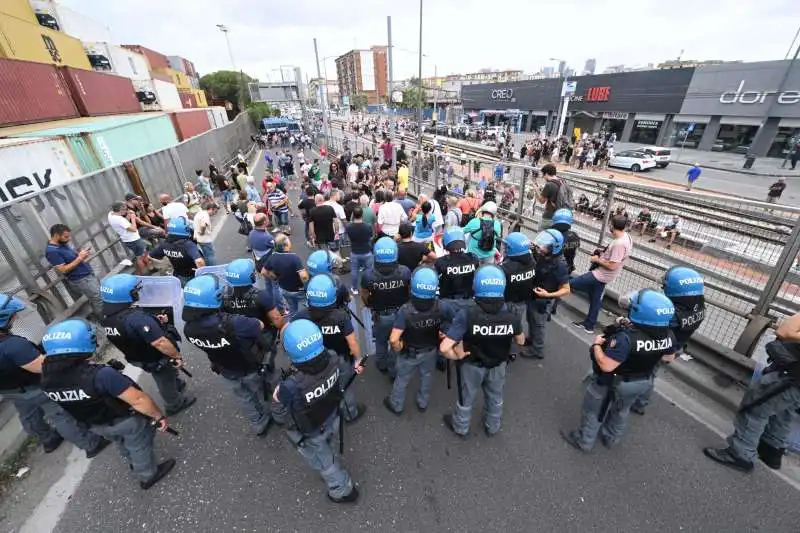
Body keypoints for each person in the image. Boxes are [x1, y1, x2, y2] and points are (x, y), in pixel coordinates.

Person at [40, 319, 175, 489]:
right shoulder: (102, 375)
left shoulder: (46, 379)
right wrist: (158, 416)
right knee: (139, 442)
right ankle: (148, 474)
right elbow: (138, 399)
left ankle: (132, 460)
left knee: (120, 441)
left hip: (94, 424)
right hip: (124, 419)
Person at [561, 290, 676, 451]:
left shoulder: (625, 339)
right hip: (642, 381)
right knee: (622, 409)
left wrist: (596, 345)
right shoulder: (669, 335)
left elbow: (606, 365)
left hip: (614, 381)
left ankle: (584, 440)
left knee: (594, 411)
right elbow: (668, 358)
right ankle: (611, 438)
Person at [0, 296, 109, 457]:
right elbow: (45, 367)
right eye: (13, 315)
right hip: (34, 386)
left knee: (28, 414)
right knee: (59, 414)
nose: (15, 317)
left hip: (9, 389)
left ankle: (48, 439)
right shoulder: (13, 345)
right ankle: (91, 443)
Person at [272, 319, 359, 503]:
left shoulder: (290, 386)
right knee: (330, 443)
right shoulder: (333, 357)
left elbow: (280, 409)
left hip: (311, 429)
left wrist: (277, 397)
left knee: (324, 462)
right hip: (333, 415)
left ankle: (342, 489)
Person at [703, 312, 800, 472]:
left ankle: (740, 454)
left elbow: (784, 331)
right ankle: (771, 450)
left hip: (792, 376)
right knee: (784, 410)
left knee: (755, 408)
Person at [182, 275, 275, 436]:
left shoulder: (188, 330)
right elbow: (259, 325)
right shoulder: (234, 323)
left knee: (244, 397)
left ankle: (257, 422)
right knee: (262, 389)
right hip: (249, 366)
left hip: (224, 368)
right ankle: (274, 413)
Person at [439, 265, 525, 437]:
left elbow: (444, 348)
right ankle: (492, 426)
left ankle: (461, 427)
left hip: (472, 364)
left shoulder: (467, 314)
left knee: (466, 397)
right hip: (498, 363)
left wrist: (458, 355)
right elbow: (521, 341)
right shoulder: (512, 315)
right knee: (495, 396)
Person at [100, 274, 196, 416]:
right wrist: (176, 356)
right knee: (164, 378)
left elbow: (131, 330)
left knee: (167, 375)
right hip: (154, 358)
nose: (137, 293)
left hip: (137, 356)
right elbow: (160, 342)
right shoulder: (136, 318)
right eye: (134, 291)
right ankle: (174, 404)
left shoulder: (107, 316)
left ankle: (176, 384)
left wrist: (154, 322)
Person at [632, 266, 705, 415]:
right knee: (651, 373)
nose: (663, 286)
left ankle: (638, 402)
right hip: (677, 345)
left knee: (645, 373)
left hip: (662, 347)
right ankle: (640, 402)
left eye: (665, 285)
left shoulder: (672, 315)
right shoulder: (699, 307)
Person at [297, 275, 366, 422]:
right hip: (340, 359)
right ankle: (350, 413)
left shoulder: (301, 316)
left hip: (313, 362)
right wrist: (358, 360)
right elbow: (352, 342)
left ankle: (325, 415)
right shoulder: (341, 317)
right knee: (344, 387)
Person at [385, 267, 454, 415]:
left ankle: (396, 405)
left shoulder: (405, 310)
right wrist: (445, 334)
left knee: (402, 380)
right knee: (427, 376)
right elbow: (455, 322)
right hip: (430, 350)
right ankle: (422, 402)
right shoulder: (442, 306)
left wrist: (399, 347)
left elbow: (394, 339)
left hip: (409, 353)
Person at [570, 216, 632, 334]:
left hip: (601, 274)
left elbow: (613, 265)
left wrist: (597, 260)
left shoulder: (619, 243)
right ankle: (589, 325)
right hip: (605, 276)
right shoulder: (626, 237)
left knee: (570, 283)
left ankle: (546, 298)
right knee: (595, 300)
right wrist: (603, 253)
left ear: (612, 226)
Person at [360, 237, 412, 378]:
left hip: (381, 315)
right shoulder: (405, 271)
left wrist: (369, 305)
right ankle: (393, 371)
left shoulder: (368, 275)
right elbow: (409, 292)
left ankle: (381, 364)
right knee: (396, 342)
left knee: (381, 341)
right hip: (401, 314)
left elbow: (364, 295)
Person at [46, 224, 104, 319]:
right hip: (81, 279)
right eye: (66, 236)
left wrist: (79, 254)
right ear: (56, 235)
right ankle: (105, 320)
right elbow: (63, 269)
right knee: (98, 299)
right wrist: (80, 258)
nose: (69, 238)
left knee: (98, 297)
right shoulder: (52, 251)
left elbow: (71, 257)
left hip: (87, 275)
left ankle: (102, 317)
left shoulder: (62, 244)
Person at [527, 230, 571, 357]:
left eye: (544, 247)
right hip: (534, 293)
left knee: (538, 323)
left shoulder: (560, 264)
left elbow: (566, 289)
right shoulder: (544, 255)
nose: (541, 249)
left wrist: (548, 295)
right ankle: (531, 339)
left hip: (544, 299)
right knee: (531, 319)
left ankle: (537, 350)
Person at [499, 232, 537, 358]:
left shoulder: (506, 268)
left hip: (507, 301)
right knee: (515, 323)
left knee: (504, 327)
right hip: (522, 302)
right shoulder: (531, 261)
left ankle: (508, 351)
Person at [263, 234, 309, 320]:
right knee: (309, 306)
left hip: (285, 290)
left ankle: (293, 323)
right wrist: (307, 286)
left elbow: (264, 272)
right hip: (299, 290)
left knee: (292, 309)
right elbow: (304, 276)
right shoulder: (294, 257)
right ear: (285, 245)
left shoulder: (273, 257)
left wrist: (275, 278)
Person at [149, 217, 205, 286]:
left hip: (179, 276)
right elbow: (199, 261)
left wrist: (165, 262)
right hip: (192, 276)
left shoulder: (164, 245)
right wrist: (203, 275)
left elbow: (150, 256)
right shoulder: (188, 244)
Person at [108, 201, 149, 275]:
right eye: (125, 209)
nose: (127, 211)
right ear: (120, 209)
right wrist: (133, 218)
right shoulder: (119, 219)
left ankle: (148, 270)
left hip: (128, 240)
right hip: (134, 240)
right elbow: (133, 229)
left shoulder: (111, 214)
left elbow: (124, 224)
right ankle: (146, 274)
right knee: (140, 258)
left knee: (143, 254)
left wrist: (128, 216)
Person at [345, 207, 374, 294]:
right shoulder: (368, 227)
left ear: (353, 215)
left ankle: (354, 288)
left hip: (354, 252)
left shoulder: (349, 227)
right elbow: (371, 237)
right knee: (369, 271)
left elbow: (348, 238)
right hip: (367, 252)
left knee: (354, 271)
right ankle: (369, 289)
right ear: (362, 215)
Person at [463, 201, 502, 265]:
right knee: (487, 273)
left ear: (483, 211)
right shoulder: (497, 224)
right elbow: (497, 236)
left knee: (473, 273)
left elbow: (463, 231)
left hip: (474, 254)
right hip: (489, 254)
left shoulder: (474, 221)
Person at [537, 163, 567, 229]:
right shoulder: (562, 181)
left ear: (547, 173)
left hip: (549, 217)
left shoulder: (549, 185)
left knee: (542, 236)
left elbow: (541, 201)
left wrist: (536, 190)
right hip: (560, 217)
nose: (543, 177)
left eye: (543, 175)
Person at [193, 200, 216, 266]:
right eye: (215, 211)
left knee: (206, 255)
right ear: (211, 209)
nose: (214, 213)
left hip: (199, 238)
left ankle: (208, 267)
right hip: (205, 239)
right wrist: (202, 232)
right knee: (210, 255)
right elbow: (203, 225)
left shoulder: (199, 213)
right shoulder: (205, 215)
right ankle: (213, 268)